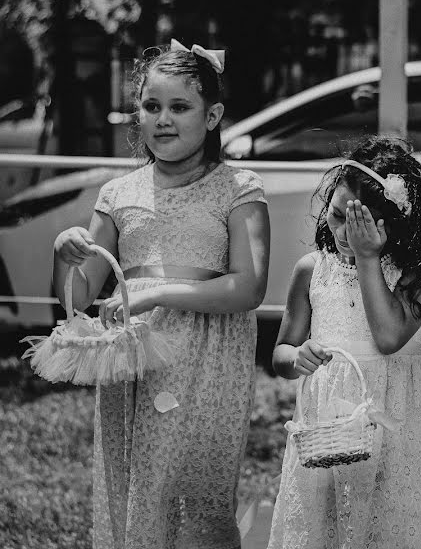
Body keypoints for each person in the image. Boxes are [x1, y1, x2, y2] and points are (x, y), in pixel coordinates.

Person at [52, 40, 271, 548]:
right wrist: (65, 256)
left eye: (179, 107)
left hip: (206, 360)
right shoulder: (118, 194)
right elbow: (80, 294)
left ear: (212, 115)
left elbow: (248, 286)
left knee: (195, 495)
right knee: (137, 484)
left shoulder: (237, 187)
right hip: (134, 360)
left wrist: (156, 296)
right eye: (152, 106)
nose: (163, 120)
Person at [267, 137, 421, 548]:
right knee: (324, 527)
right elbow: (280, 353)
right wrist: (297, 356)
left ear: (393, 224)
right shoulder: (312, 269)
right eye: (337, 215)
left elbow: (387, 337)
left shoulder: (417, 270)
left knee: (388, 526)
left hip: (395, 419)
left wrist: (368, 260)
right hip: (327, 424)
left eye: (360, 222)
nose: (345, 233)